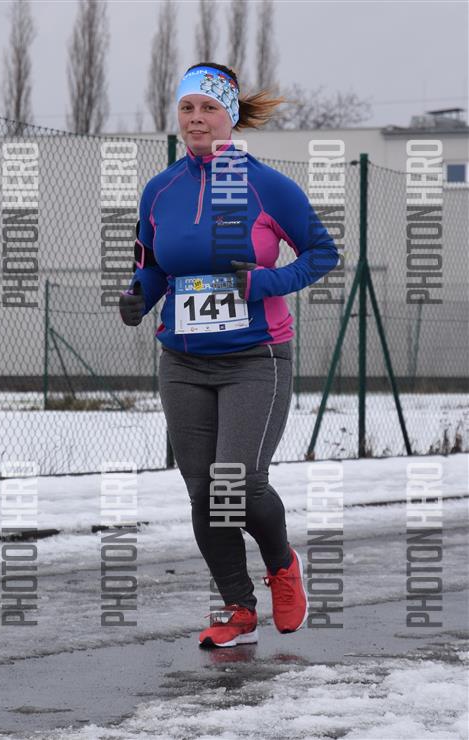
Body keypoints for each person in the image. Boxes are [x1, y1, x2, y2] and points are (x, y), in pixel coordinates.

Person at [120, 63, 339, 648]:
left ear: (231, 116)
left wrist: (263, 282)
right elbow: (153, 265)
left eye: (209, 108)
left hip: (254, 357)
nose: (196, 119)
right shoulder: (160, 189)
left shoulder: (268, 186)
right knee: (204, 491)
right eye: (187, 107)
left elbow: (322, 253)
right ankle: (237, 610)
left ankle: (282, 565)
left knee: (235, 485)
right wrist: (138, 297)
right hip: (182, 361)